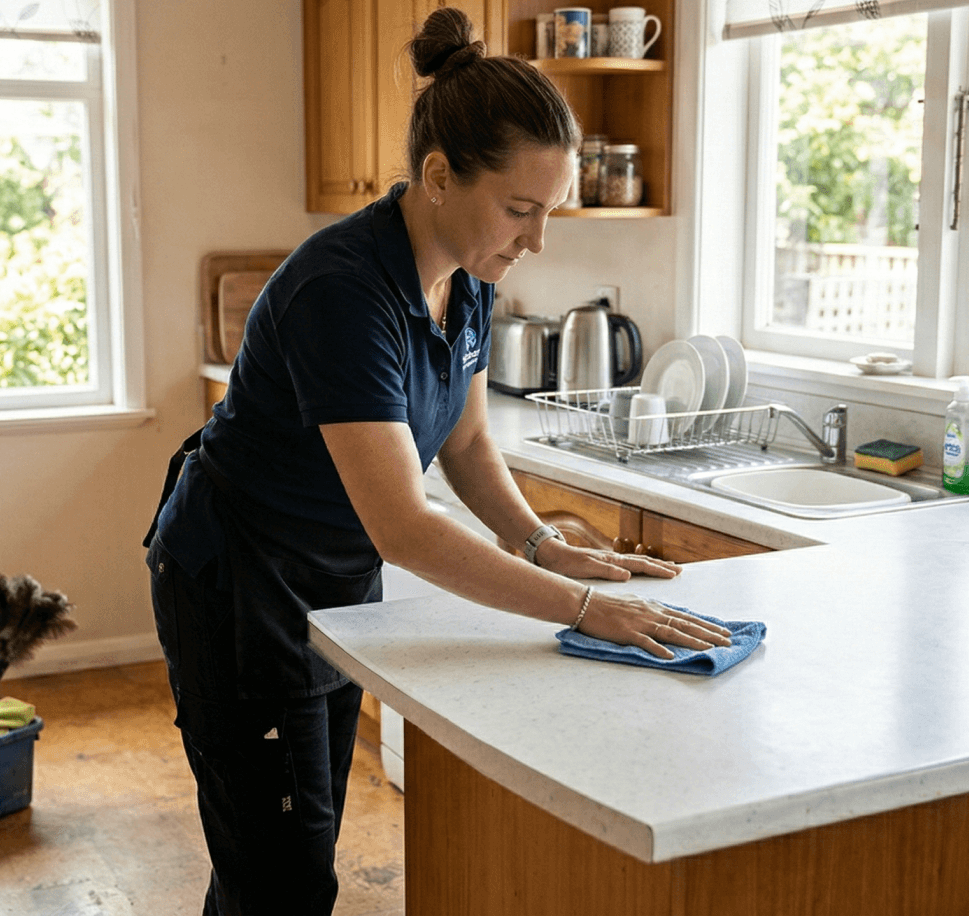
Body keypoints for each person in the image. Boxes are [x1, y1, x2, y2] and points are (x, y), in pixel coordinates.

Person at [143, 8, 731, 914]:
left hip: (331, 577)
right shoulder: (343, 293)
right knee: (283, 872)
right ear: (438, 176)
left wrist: (542, 544)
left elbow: (463, 440)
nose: (538, 239)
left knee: (284, 850)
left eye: (551, 212)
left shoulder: (468, 277)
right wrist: (585, 608)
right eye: (521, 209)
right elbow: (406, 528)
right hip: (239, 581)